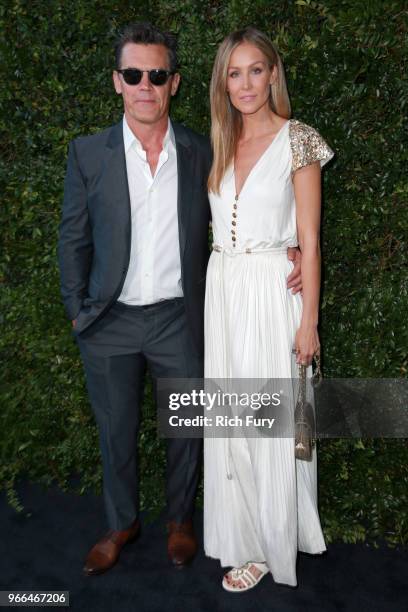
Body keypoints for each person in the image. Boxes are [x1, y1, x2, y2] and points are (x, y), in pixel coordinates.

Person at [58, 22, 303, 577]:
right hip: (109, 320)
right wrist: (79, 310)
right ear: (117, 82)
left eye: (157, 74)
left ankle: (179, 523)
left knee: (187, 430)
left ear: (174, 83)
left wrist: (290, 250)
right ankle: (121, 524)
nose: (146, 84)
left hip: (179, 318)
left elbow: (243, 206)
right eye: (133, 74)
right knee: (115, 431)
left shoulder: (202, 150)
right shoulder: (88, 154)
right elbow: (73, 238)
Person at [203, 27, 334, 591]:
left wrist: (309, 321)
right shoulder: (222, 140)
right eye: (235, 73)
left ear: (274, 74)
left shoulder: (298, 139)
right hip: (224, 289)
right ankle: (241, 536)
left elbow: (310, 238)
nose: (246, 83)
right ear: (223, 83)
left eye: (256, 69)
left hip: (269, 294)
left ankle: (267, 546)